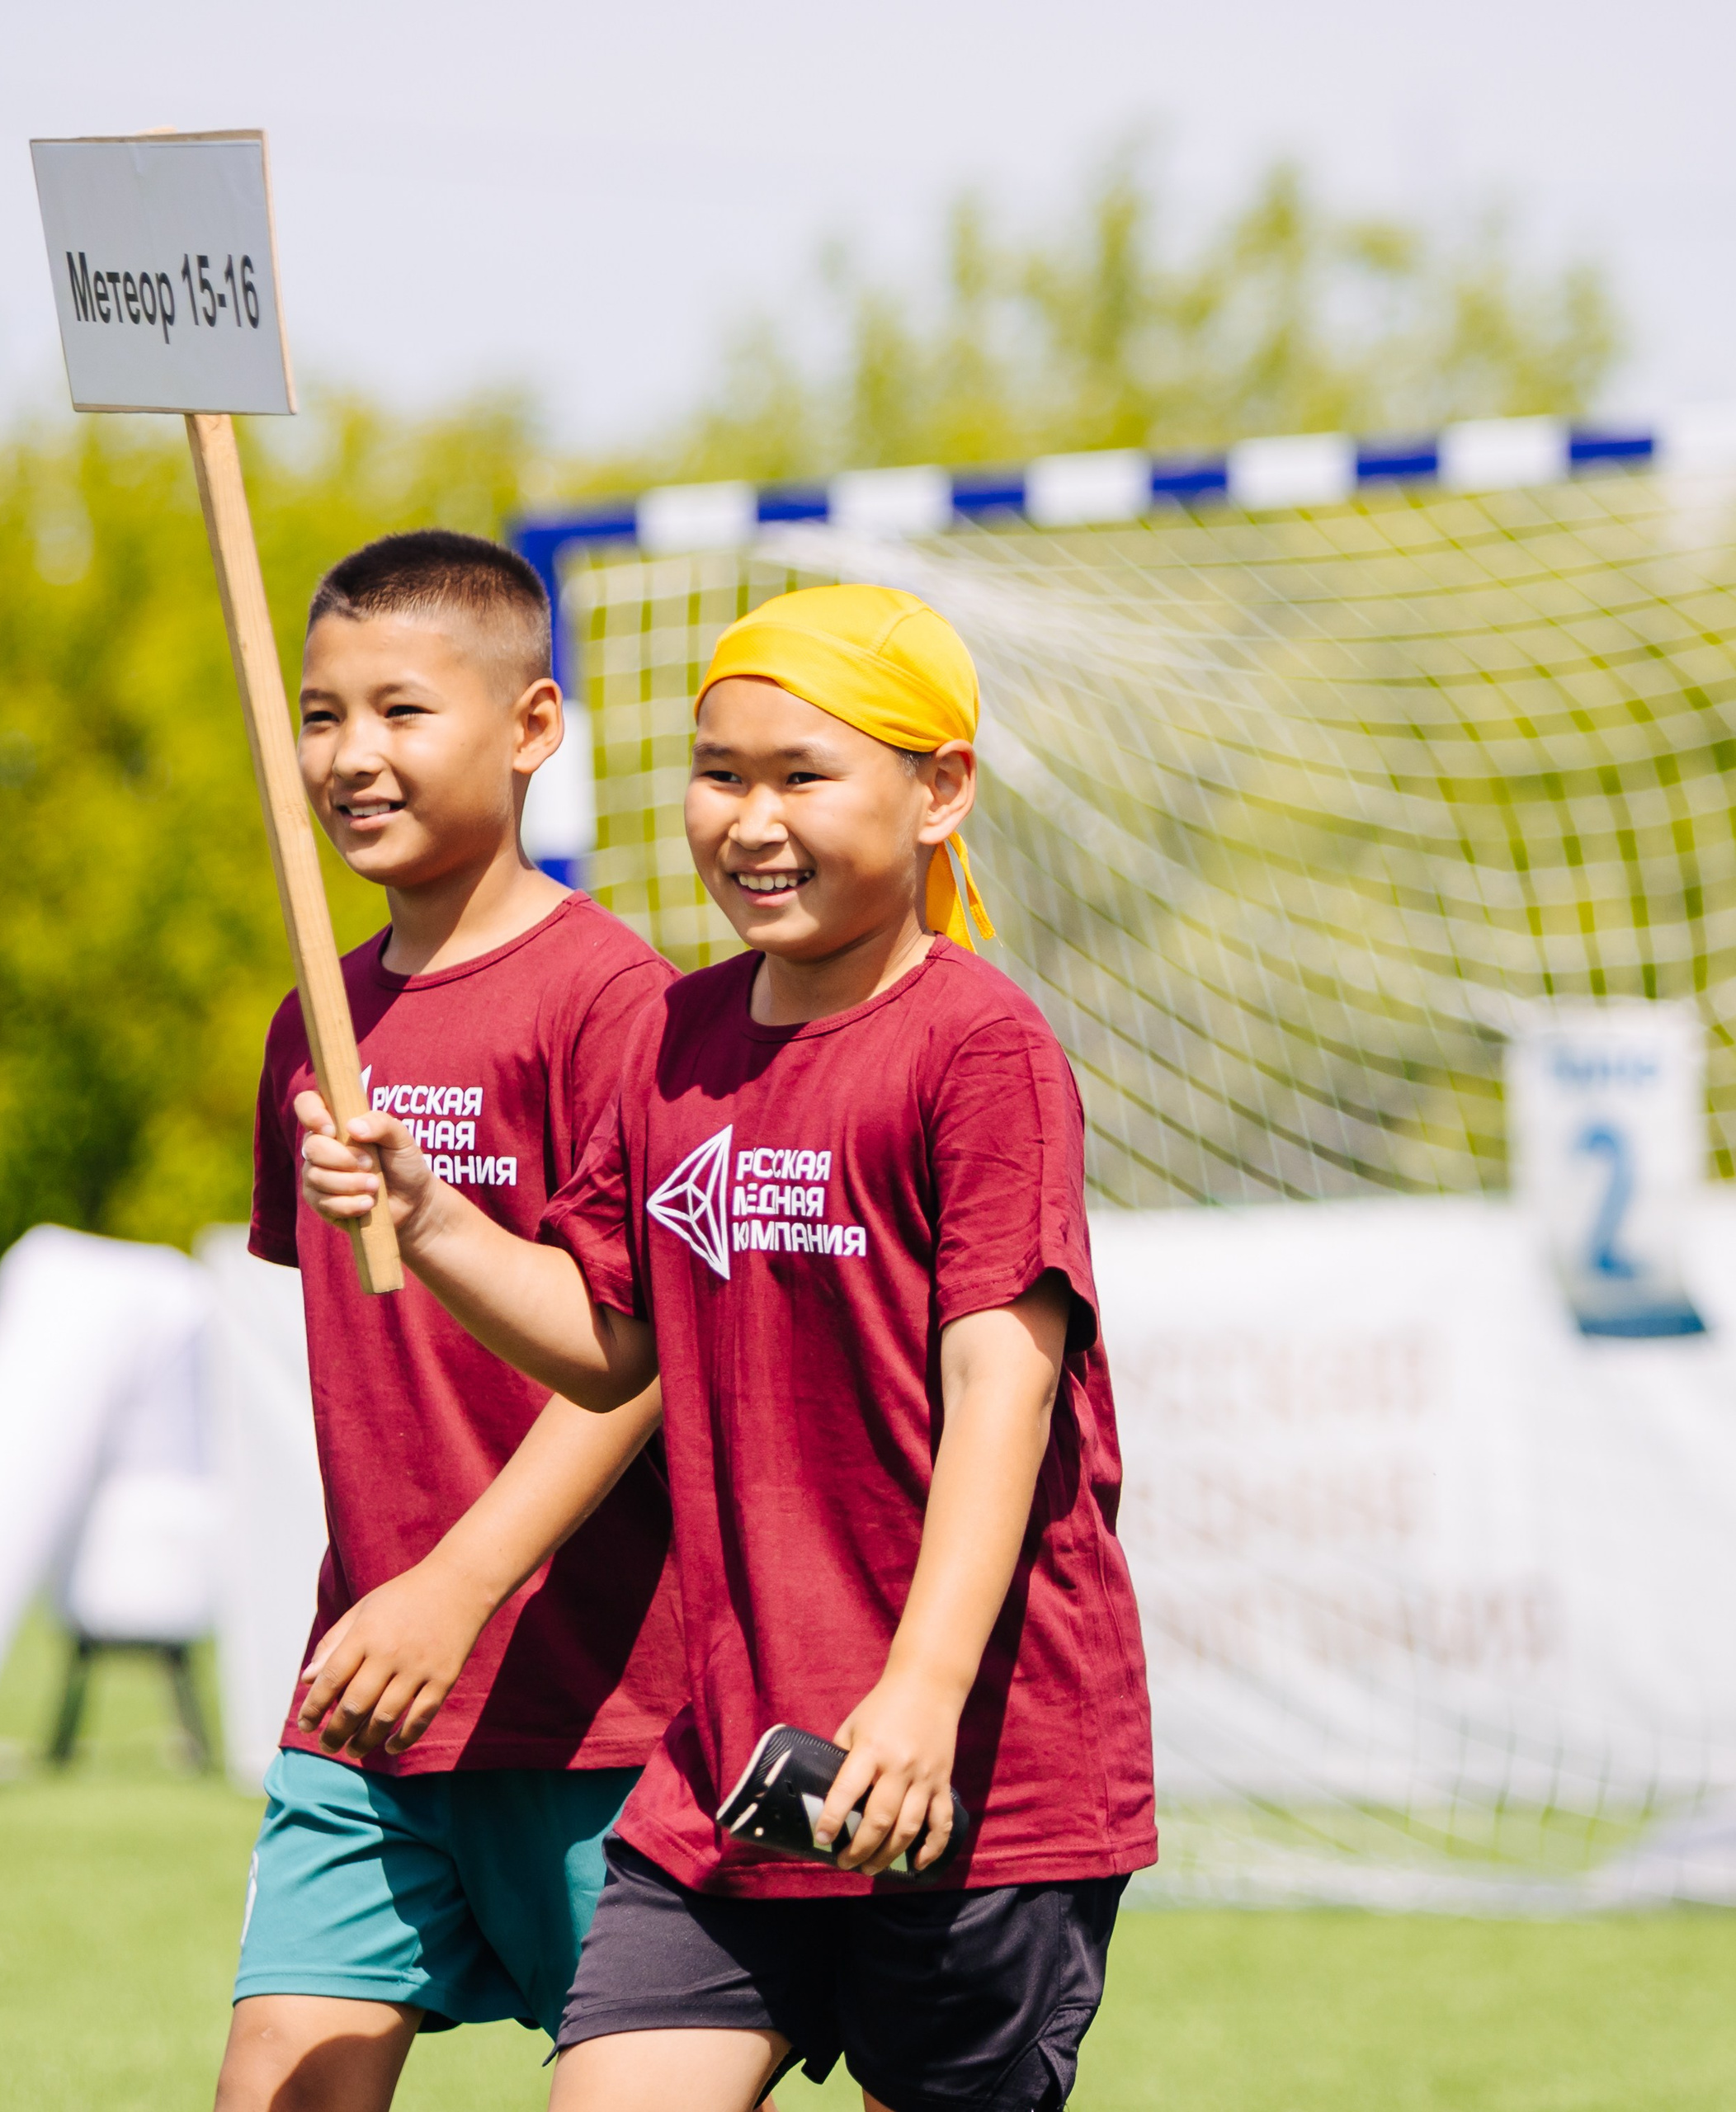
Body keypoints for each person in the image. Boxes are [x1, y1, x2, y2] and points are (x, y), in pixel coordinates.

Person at [295, 584, 1158, 2112]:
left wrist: (917, 1692)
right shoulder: (675, 1040)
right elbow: (613, 1347)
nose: (750, 821)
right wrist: (429, 1220)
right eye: (720, 773)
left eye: (800, 776)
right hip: (731, 1773)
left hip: (975, 1772)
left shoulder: (982, 1048)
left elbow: (1001, 1395)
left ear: (940, 789)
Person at [214, 531, 685, 2112]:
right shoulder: (315, 1016)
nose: (353, 756)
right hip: (362, 1700)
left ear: (533, 727)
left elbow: (645, 1365)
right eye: (322, 713)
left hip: (593, 1701)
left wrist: (460, 1585)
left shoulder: (618, 1000)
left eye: (403, 712)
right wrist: (390, 1602)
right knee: (276, 2083)